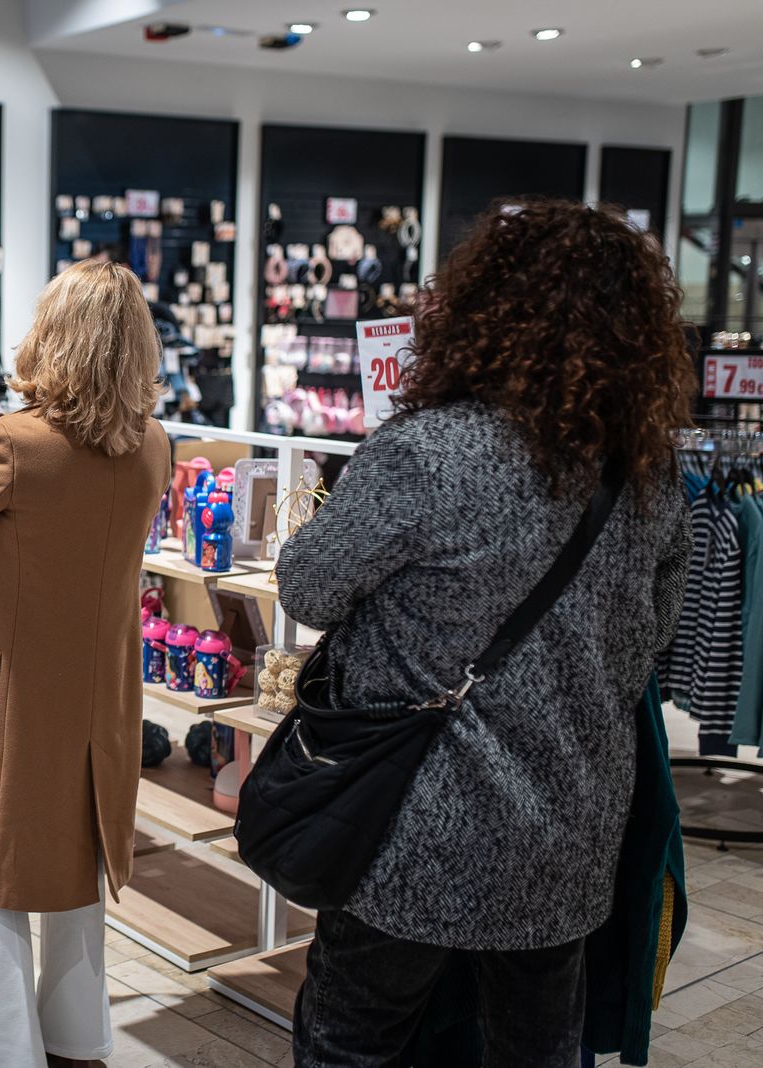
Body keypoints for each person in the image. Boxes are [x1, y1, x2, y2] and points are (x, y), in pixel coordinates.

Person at [275, 200, 692, 1067]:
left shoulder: (430, 451)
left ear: (485, 308)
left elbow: (309, 588)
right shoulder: (647, 472)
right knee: (539, 1049)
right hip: (569, 827)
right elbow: (652, 640)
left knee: (352, 1041)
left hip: (404, 823)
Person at [0, 260, 170, 1067]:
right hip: (103, 696)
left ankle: (2, 1050)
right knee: (77, 865)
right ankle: (74, 1032)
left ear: (54, 336)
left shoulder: (11, 442)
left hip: (12, 693)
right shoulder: (154, 446)